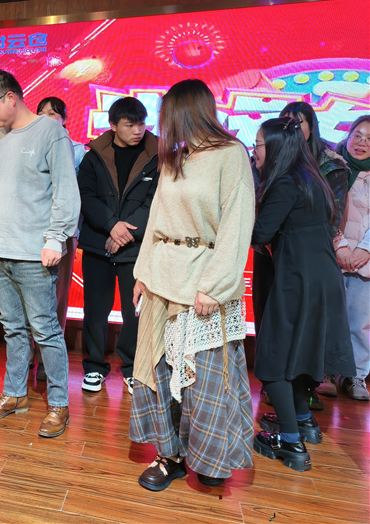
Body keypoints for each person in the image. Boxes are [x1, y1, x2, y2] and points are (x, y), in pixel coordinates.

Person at [130, 79, 254, 491]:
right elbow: (155, 220)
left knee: (203, 379)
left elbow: (237, 224)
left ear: (185, 112)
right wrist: (142, 273)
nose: (162, 123)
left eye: (166, 114)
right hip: (162, 278)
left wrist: (215, 286)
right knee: (157, 369)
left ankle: (208, 455)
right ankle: (169, 456)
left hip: (202, 281)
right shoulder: (174, 157)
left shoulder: (231, 154)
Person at [0, 70, 80, 438]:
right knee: (12, 328)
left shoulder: (50, 132)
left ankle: (58, 403)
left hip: (35, 254)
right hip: (0, 250)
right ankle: (15, 394)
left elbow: (66, 192)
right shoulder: (0, 139)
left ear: (10, 97)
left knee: (45, 330)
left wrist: (56, 239)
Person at [251, 117, 355, 471]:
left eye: (258, 144)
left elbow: (260, 233)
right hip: (324, 279)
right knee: (302, 355)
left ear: (275, 147)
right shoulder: (312, 179)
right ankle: (301, 420)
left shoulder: (284, 183)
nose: (254, 151)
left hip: (299, 280)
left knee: (273, 360)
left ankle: (290, 442)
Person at [77, 97, 158, 394]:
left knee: (133, 311)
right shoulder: (94, 156)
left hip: (135, 246)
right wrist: (112, 225)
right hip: (98, 243)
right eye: (130, 124)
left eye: (142, 124)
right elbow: (85, 196)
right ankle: (95, 366)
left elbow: (156, 202)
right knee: (95, 309)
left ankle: (132, 367)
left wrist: (124, 233)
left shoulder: (158, 156)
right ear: (112, 125)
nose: (138, 130)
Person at [277, 102, 349, 404]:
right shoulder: (269, 154)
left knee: (309, 327)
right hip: (273, 253)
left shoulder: (330, 164)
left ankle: (304, 390)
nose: (292, 128)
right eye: (286, 122)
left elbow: (333, 215)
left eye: (299, 122)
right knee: (275, 325)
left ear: (312, 126)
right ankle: (277, 386)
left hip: (309, 256)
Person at [30, 97, 86, 382]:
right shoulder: (27, 146)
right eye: (41, 113)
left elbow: (79, 196)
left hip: (62, 235)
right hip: (30, 232)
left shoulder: (77, 151)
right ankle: (27, 353)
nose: (47, 117)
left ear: (65, 119)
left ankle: (47, 357)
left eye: (53, 113)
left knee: (57, 297)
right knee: (28, 295)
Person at [334, 115, 370, 400]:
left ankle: (355, 376)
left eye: (369, 139)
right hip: (331, 257)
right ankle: (323, 372)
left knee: (360, 324)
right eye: (357, 135)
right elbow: (325, 213)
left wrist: (364, 250)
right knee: (326, 319)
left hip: (365, 262)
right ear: (348, 136)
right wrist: (340, 247)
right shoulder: (332, 169)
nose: (362, 142)